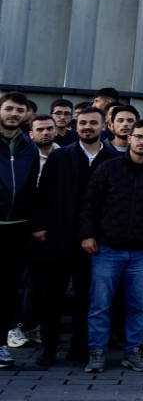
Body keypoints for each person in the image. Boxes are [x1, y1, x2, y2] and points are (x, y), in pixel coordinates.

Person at [78, 119, 143, 374]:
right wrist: (86, 235)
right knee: (100, 304)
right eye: (138, 136)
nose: (142, 141)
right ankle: (97, 351)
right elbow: (90, 203)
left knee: (138, 305)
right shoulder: (108, 168)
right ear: (129, 138)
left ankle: (133, 350)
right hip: (106, 249)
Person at [30, 105, 113, 368]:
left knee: (87, 298)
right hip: (58, 238)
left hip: (95, 241)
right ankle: (49, 348)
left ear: (103, 126)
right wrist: (39, 226)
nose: (87, 127)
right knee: (51, 298)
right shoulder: (60, 156)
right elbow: (43, 194)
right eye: (83, 123)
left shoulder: (112, 159)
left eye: (93, 123)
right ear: (76, 126)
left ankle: (79, 348)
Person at [0, 92, 38, 371]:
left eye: (19, 110)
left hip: (18, 228)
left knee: (8, 290)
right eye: (9, 108)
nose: (14, 114)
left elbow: (32, 187)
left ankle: (0, 343)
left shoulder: (29, 147)